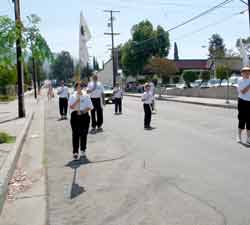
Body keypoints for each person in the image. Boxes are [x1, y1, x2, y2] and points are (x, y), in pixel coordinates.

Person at [69, 82, 93, 160]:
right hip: (75, 115)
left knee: (83, 133)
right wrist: (77, 100)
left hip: (84, 115)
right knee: (75, 134)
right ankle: (75, 152)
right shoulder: (72, 96)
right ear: (76, 88)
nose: (79, 88)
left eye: (80, 87)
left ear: (82, 88)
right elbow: (71, 106)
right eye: (77, 87)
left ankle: (83, 149)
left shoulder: (86, 96)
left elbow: (90, 107)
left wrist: (82, 112)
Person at [237, 67, 250, 144]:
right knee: (242, 119)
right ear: (242, 73)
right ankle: (239, 136)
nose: (247, 73)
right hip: (242, 101)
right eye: (245, 72)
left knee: (249, 120)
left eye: (248, 72)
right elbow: (243, 91)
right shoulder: (240, 80)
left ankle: (248, 138)